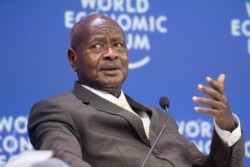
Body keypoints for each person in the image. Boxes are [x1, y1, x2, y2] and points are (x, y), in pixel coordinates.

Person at [27, 13, 245, 167]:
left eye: (118, 45)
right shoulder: (56, 111)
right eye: (97, 46)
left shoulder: (162, 118)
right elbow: (64, 161)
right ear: (74, 59)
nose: (111, 54)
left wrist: (226, 126)